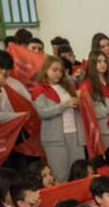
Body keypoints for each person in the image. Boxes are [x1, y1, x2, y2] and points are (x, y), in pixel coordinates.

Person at [32, 56, 87, 186]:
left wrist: (79, 103)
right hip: (55, 139)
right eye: (54, 70)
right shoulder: (39, 89)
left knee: (79, 173)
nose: (58, 73)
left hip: (75, 134)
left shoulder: (67, 86)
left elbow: (76, 108)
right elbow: (43, 112)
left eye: (60, 70)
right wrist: (64, 105)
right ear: (45, 70)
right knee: (60, 175)